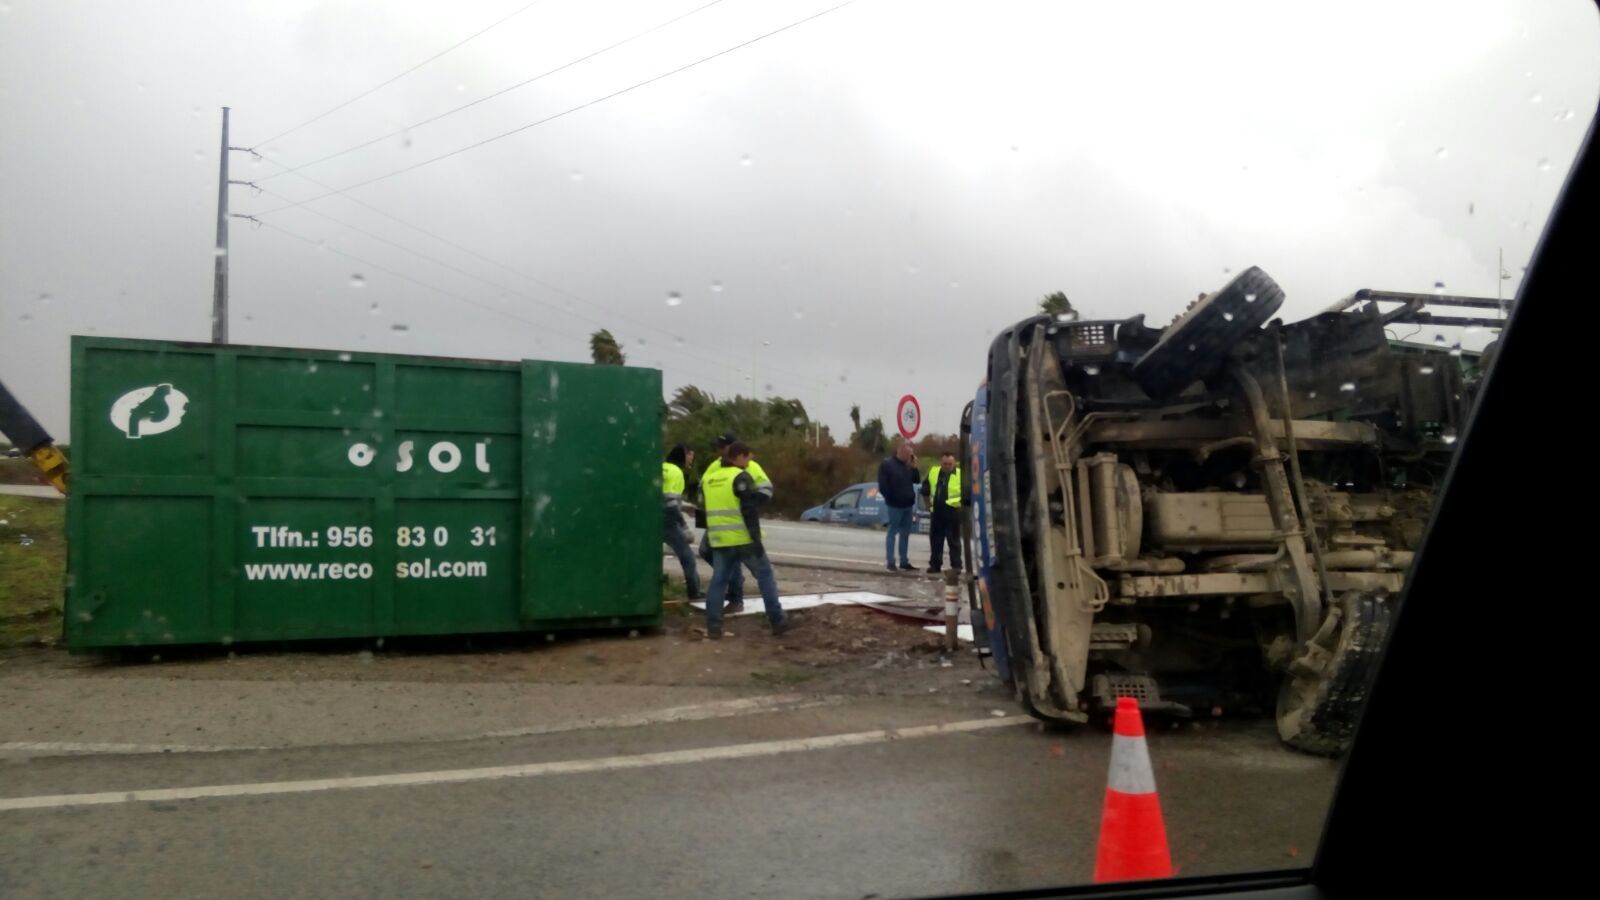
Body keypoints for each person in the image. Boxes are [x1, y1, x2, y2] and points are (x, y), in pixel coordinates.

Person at [701, 441, 790, 640]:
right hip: (743, 539)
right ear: (739, 456)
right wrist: (755, 538)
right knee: (765, 576)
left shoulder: (710, 479)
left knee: (718, 581)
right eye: (748, 458)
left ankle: (713, 626)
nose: (749, 462)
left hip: (720, 540)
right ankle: (777, 620)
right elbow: (748, 511)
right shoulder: (741, 477)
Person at [696, 433, 773, 613]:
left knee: (725, 571)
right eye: (720, 447)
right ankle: (736, 588)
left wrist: (750, 502)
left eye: (724, 447)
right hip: (722, 525)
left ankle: (733, 600)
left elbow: (766, 488)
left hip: (737, 526)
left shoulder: (751, 466)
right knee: (709, 555)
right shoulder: (716, 465)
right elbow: (703, 489)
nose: (721, 450)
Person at [661, 444, 701, 600]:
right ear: (682, 455)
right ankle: (694, 592)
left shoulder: (662, 467)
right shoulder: (677, 472)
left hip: (650, 518)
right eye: (690, 454)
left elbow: (662, 496)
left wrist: (684, 505)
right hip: (667, 520)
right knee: (688, 557)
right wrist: (684, 526)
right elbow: (670, 503)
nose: (691, 458)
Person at [877, 441, 920, 572]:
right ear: (900, 451)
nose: (909, 457)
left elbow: (916, 480)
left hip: (908, 504)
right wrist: (890, 498)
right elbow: (883, 485)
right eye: (908, 454)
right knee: (892, 532)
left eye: (911, 455)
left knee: (905, 534)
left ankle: (904, 561)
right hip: (895, 505)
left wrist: (914, 466)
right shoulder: (887, 464)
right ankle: (890, 561)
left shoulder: (908, 466)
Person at [922, 450, 963, 573]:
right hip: (937, 512)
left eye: (950, 464)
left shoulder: (961, 474)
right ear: (941, 463)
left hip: (953, 511)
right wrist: (928, 505)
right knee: (936, 540)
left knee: (954, 540)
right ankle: (935, 565)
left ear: (954, 463)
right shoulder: (933, 472)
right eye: (945, 464)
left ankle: (956, 566)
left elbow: (968, 493)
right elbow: (925, 489)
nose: (947, 467)